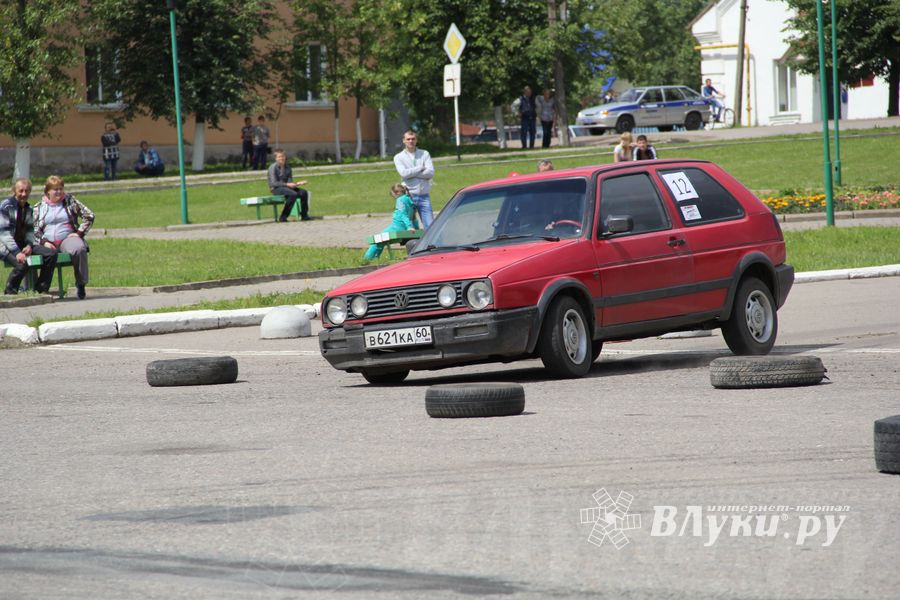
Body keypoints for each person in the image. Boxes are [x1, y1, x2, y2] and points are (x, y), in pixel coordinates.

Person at [34, 176, 94, 300]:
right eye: (55, 189)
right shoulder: (39, 207)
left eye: (61, 189)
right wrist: (44, 242)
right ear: (48, 191)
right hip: (47, 241)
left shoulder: (70, 201)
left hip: (67, 238)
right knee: (30, 250)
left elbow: (89, 215)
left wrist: (79, 233)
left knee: (79, 248)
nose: (59, 192)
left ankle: (81, 283)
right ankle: (38, 289)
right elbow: (33, 228)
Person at [1, 179, 58, 295]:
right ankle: (10, 291)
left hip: (21, 244)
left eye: (26, 191)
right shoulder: (6, 206)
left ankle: (41, 289)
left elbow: (30, 232)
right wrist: (17, 252)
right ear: (14, 191)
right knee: (23, 264)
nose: (23, 194)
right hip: (4, 245)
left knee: (51, 254)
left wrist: (29, 245)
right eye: (20, 191)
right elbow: (4, 234)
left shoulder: (29, 209)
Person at [363, 183, 419, 261]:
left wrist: (409, 226)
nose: (393, 197)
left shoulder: (400, 200)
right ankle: (375, 259)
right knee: (381, 242)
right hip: (405, 228)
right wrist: (416, 228)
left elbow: (403, 214)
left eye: (392, 195)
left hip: (397, 227)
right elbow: (413, 217)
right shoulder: (409, 200)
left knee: (377, 239)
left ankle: (366, 259)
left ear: (397, 193)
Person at [393, 130, 435, 228]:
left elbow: (430, 173)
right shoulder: (398, 157)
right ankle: (413, 243)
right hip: (408, 197)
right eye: (408, 139)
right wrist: (420, 168)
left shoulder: (424, 154)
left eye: (413, 139)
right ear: (404, 141)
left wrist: (412, 173)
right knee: (410, 226)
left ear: (416, 140)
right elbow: (403, 173)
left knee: (430, 225)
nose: (411, 141)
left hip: (424, 195)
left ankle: (433, 244)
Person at [268, 149, 311, 222]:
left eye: (283, 156)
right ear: (276, 158)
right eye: (279, 157)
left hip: (286, 187)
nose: (281, 158)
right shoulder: (273, 167)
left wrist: (297, 184)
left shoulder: (288, 168)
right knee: (293, 194)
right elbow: (273, 183)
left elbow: (290, 181)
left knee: (303, 192)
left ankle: (304, 215)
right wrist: (287, 184)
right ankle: (283, 216)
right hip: (276, 188)